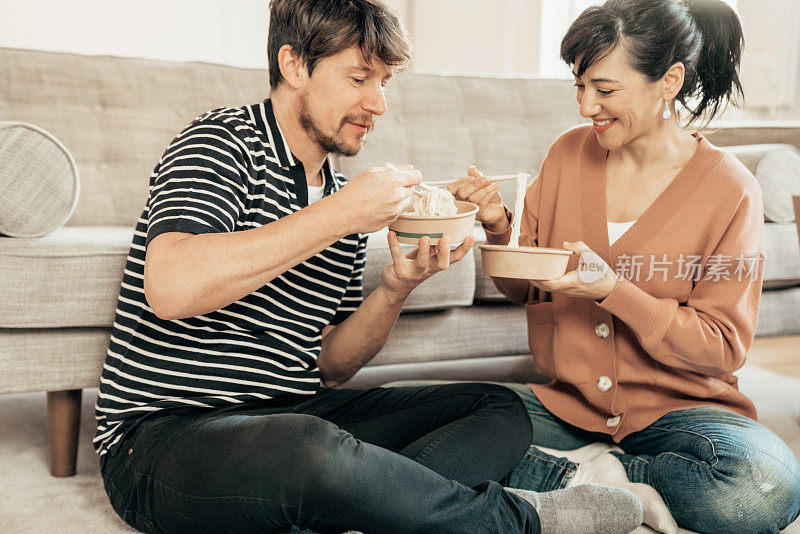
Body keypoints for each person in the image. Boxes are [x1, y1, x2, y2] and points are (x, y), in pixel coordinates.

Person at [94, 1, 643, 533]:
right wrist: (340, 215)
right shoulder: (221, 142)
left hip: (298, 412)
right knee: (307, 449)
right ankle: (515, 520)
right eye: (360, 79)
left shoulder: (341, 197)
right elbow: (170, 288)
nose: (378, 104)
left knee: (495, 407)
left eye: (384, 82)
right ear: (293, 66)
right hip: (160, 439)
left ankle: (374, 506)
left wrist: (395, 287)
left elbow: (330, 366)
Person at [450, 0, 800, 532]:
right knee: (429, 429)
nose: (587, 106)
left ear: (669, 81)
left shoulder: (730, 190)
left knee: (762, 489)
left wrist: (616, 290)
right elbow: (527, 291)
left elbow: (723, 344)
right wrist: (498, 225)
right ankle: (588, 476)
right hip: (566, 407)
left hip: (682, 414)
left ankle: (587, 477)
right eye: (579, 86)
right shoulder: (567, 155)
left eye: (605, 89)